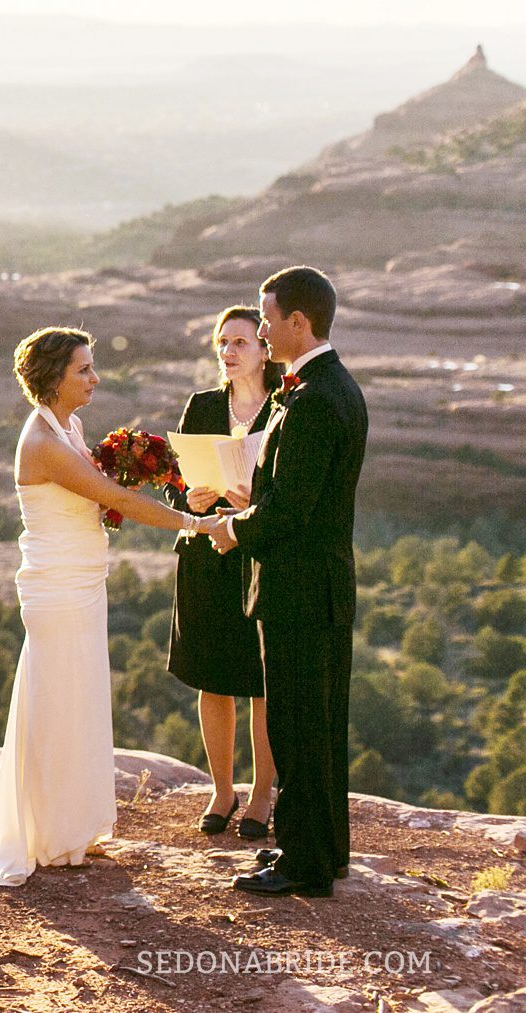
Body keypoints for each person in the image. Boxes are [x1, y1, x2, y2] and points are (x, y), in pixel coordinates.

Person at [0, 326, 219, 887]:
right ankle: (49, 837)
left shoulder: (70, 426)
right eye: (83, 369)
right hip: (57, 588)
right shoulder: (42, 441)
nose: (95, 378)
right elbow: (113, 498)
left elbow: (104, 483)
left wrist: (154, 467)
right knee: (57, 700)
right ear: (53, 376)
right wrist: (196, 523)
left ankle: (75, 829)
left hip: (82, 580)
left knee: (79, 698)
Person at [213, 266, 367, 898]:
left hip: (299, 589)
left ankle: (303, 865)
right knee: (321, 725)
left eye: (267, 317)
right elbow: (298, 493)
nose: (264, 328)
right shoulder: (334, 388)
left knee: (298, 727)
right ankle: (325, 852)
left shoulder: (313, 401)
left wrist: (233, 529)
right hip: (323, 585)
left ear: (298, 322)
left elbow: (289, 511)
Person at [168, 306, 279, 839]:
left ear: (263, 348)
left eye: (239, 342)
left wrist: (252, 500)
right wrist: (188, 495)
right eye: (222, 343)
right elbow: (176, 483)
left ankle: (261, 795)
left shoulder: (286, 408)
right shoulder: (203, 405)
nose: (229, 352)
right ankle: (221, 790)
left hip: (258, 559)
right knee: (213, 679)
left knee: (261, 683)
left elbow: (291, 491)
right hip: (206, 557)